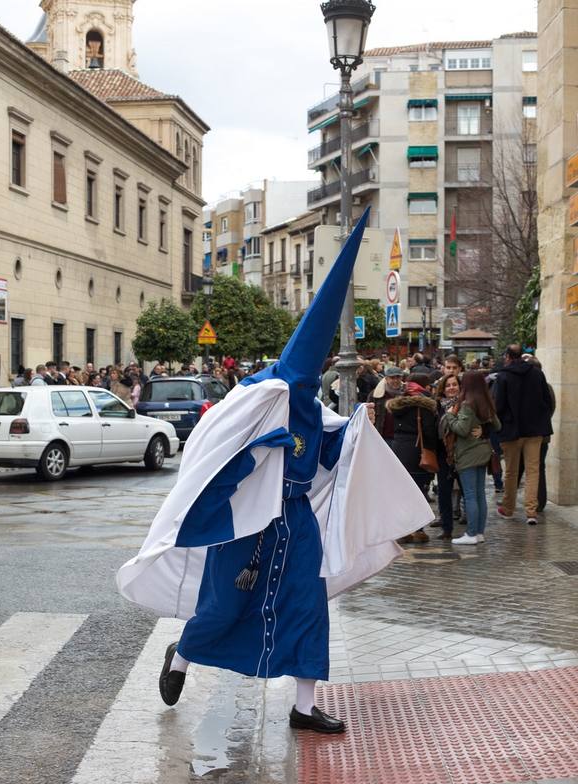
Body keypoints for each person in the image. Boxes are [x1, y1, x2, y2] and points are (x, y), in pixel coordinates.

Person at [117, 211, 432, 736]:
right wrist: (267, 446)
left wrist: (356, 430)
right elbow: (220, 453)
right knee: (223, 608)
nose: (309, 382)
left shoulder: (311, 404)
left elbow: (332, 452)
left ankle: (304, 707)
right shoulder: (263, 397)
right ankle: (181, 657)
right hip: (245, 524)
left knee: (308, 607)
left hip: (297, 521)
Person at [493, 344, 554, 525]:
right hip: (534, 430)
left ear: (508, 356)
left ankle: (508, 508)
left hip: (511, 430)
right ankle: (531, 512)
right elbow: (546, 400)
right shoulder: (537, 374)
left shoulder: (503, 376)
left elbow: (499, 406)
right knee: (533, 470)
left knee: (511, 471)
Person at [443, 372, 501, 545]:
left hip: (468, 454)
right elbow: (498, 425)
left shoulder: (468, 404)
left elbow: (461, 429)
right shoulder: (486, 401)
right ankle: (479, 533)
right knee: (479, 494)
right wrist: (483, 427)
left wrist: (450, 416)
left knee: (470, 495)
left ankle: (471, 534)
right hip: (482, 453)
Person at [386, 373, 437, 544]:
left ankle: (404, 530)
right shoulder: (425, 407)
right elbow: (429, 432)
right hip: (417, 453)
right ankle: (418, 530)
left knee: (403, 493)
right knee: (420, 493)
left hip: (399, 450)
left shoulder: (397, 407)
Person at [434, 373, 462, 540]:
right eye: (448, 385)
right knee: (444, 491)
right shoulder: (437, 406)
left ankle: (472, 528)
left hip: (462, 453)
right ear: (443, 389)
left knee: (466, 491)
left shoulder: (465, 404)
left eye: (454, 385)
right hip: (443, 453)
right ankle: (447, 528)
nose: (451, 388)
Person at [370, 366, 404, 447]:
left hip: (401, 436)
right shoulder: (375, 394)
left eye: (398, 377)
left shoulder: (407, 393)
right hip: (382, 436)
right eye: (392, 378)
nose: (395, 380)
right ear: (386, 378)